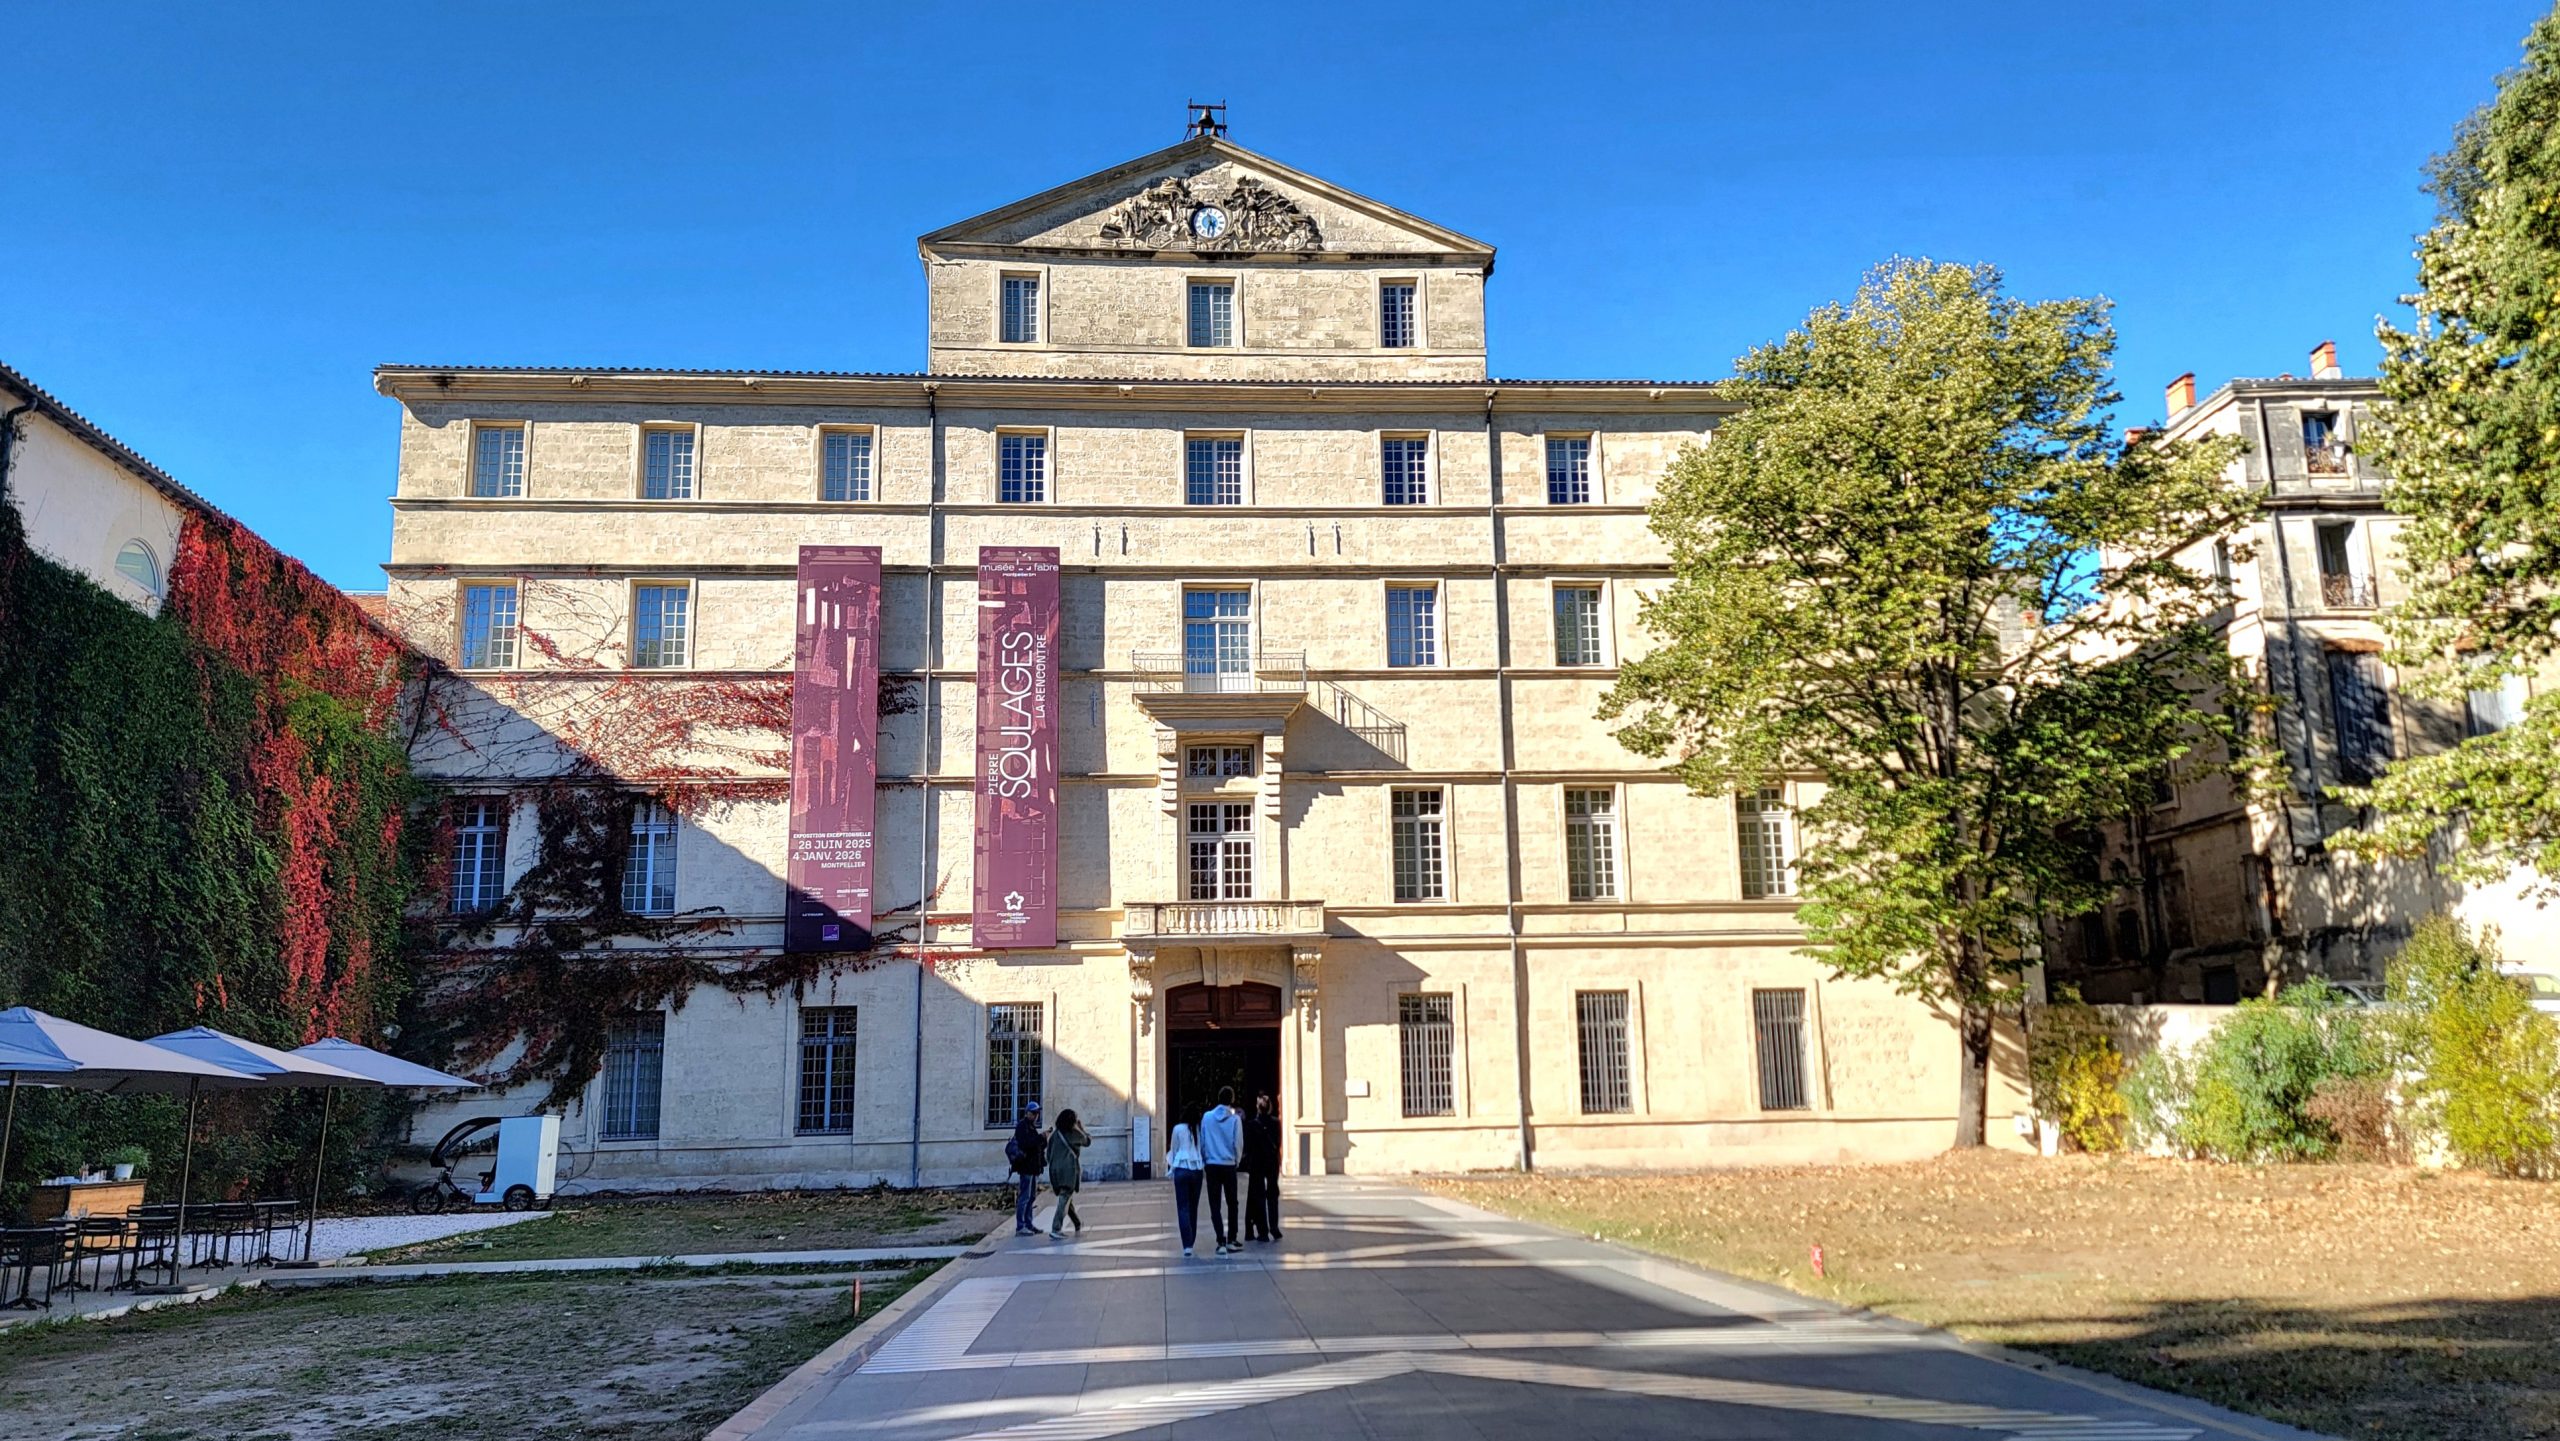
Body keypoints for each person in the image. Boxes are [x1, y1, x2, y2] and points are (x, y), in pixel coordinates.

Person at [1198, 1086, 1244, 1254]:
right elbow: (1238, 1143)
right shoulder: (1235, 1120)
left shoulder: (1207, 1117)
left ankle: (1220, 1240)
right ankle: (1232, 1238)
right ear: (1231, 1100)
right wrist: (1236, 1160)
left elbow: (1202, 1141)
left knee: (1214, 1203)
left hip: (1212, 1165)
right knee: (1233, 1203)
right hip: (1229, 1165)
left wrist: (1205, 1159)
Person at [1243, 1091, 1283, 1242]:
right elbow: (1278, 1143)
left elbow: (1248, 1146)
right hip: (1272, 1162)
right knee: (1272, 1195)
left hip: (1257, 1163)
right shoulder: (1276, 1122)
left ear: (1258, 1108)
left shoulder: (1252, 1124)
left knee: (1259, 1197)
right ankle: (1275, 1228)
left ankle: (1263, 1231)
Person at [1046, 1108, 1091, 1239]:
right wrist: (1081, 1128)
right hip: (1068, 1171)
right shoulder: (1073, 1133)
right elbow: (1087, 1141)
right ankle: (1056, 1228)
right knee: (1065, 1197)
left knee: (1066, 1198)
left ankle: (1077, 1223)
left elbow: (1048, 1154)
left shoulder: (1055, 1135)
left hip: (1054, 1170)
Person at [1166, 1115, 1206, 1256]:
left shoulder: (1178, 1129)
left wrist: (1171, 1165)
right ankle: (1191, 1239)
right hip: (1197, 1170)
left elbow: (1174, 1148)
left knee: (1183, 1207)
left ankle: (1187, 1244)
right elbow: (1203, 1148)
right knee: (1193, 1206)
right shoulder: (1199, 1129)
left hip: (1182, 1169)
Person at [1005, 1100, 1046, 1236]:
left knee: (1032, 1197)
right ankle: (1020, 1226)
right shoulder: (1022, 1127)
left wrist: (1043, 1139)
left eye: (1037, 1113)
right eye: (1033, 1113)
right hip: (1026, 1168)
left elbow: (1037, 1147)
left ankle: (1029, 1223)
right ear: (1027, 1113)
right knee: (1024, 1197)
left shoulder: (1032, 1127)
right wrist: (1041, 1138)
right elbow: (1027, 1144)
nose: (1036, 1116)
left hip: (1033, 1168)